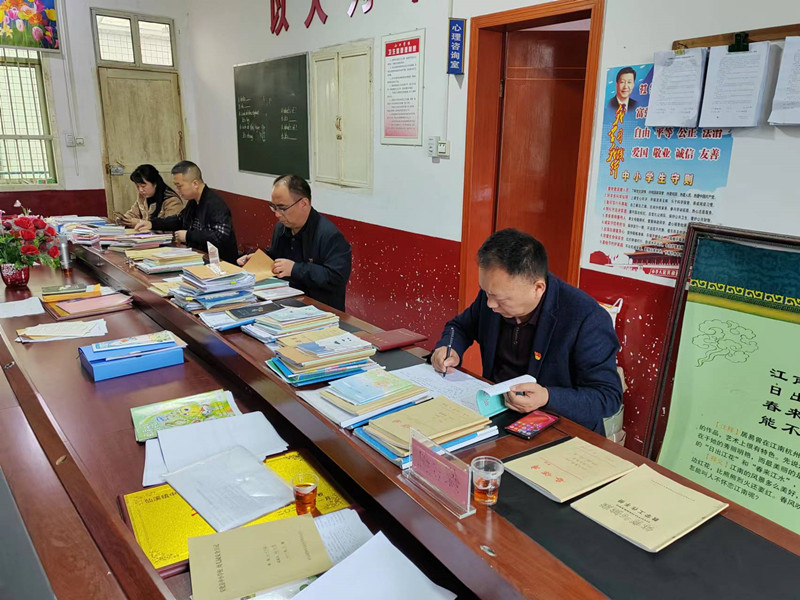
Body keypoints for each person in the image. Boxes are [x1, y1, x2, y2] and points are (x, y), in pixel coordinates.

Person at [431, 229, 622, 434]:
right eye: (486, 292)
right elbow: (459, 327)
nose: (490, 304)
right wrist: (449, 347)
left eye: (501, 299)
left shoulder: (586, 318)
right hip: (498, 416)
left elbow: (607, 396)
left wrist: (547, 397)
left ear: (538, 288)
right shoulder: (493, 296)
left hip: (558, 429)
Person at [237, 175, 351, 311]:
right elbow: (275, 257)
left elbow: (336, 278)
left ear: (304, 204)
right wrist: (259, 260)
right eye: (273, 207)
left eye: (282, 208)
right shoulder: (281, 228)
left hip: (320, 310)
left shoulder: (329, 235)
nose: (277, 214)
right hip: (284, 303)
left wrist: (295, 269)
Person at [135, 161, 239, 263]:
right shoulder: (193, 201)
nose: (177, 190)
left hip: (220, 263)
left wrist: (188, 236)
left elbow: (220, 236)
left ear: (195, 184)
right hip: (199, 257)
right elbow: (180, 219)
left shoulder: (215, 204)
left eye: (179, 186)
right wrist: (152, 224)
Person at [115, 164, 184, 227]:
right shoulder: (142, 196)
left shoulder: (172, 200)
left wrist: (140, 222)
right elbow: (133, 213)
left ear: (155, 184)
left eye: (143, 186)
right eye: (137, 186)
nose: (140, 190)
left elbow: (171, 226)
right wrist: (123, 219)